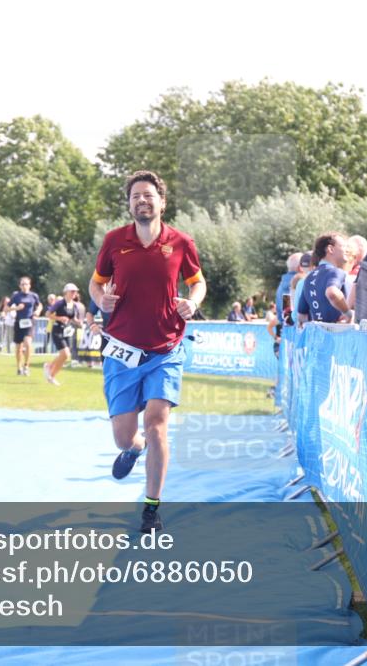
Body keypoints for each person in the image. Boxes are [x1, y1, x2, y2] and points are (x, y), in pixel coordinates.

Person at [89, 170, 206, 533]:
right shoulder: (114, 241)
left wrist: (193, 301)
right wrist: (101, 299)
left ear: (162, 202)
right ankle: (133, 448)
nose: (142, 200)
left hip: (166, 348)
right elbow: (96, 284)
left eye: (148, 195)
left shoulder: (181, 242)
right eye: (136, 196)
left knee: (157, 425)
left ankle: (151, 508)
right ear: (129, 204)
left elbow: (197, 282)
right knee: (126, 436)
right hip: (122, 350)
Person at [297, 232, 354, 326]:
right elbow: (332, 293)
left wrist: (320, 321)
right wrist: (348, 314)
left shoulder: (309, 277)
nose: (347, 250)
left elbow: (301, 317)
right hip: (337, 335)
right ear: (330, 249)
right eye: (343, 246)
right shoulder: (335, 272)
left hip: (319, 337)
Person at [44, 283, 81, 385]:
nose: (74, 293)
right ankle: (49, 368)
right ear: (66, 292)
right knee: (65, 353)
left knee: (65, 356)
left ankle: (51, 375)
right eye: (72, 291)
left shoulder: (74, 305)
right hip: (57, 330)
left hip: (66, 331)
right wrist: (59, 318)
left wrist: (78, 322)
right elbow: (48, 314)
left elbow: (73, 318)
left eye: (75, 291)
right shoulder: (59, 303)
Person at [8, 276, 42, 376]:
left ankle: (26, 366)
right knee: (18, 347)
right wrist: (16, 308)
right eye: (22, 284)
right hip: (19, 323)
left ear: (29, 285)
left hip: (29, 322)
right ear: (19, 286)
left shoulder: (33, 296)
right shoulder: (16, 296)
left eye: (26, 284)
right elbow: (6, 308)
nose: (24, 286)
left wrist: (38, 311)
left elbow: (39, 305)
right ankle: (19, 367)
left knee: (28, 343)